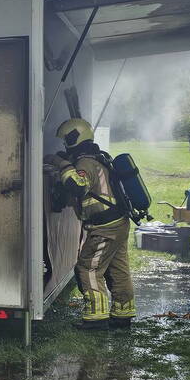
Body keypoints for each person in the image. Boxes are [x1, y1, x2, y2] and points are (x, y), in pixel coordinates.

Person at [46, 119, 135, 330]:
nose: (65, 145)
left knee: (88, 268)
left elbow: (78, 186)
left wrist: (61, 164)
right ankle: (123, 315)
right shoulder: (98, 158)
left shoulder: (85, 163)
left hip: (106, 227)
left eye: (67, 140)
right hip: (118, 222)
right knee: (117, 269)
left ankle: (96, 318)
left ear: (75, 138)